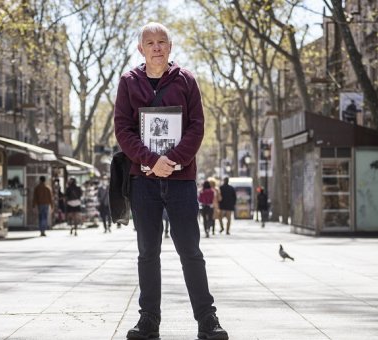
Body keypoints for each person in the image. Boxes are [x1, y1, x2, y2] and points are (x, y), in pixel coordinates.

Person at [114, 22, 228, 340]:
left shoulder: (187, 80)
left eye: (161, 41)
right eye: (149, 42)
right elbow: (123, 130)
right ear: (140, 48)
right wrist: (153, 161)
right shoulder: (128, 82)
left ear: (170, 45)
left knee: (190, 250)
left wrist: (173, 160)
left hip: (181, 181)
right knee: (147, 252)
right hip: (143, 181)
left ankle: (207, 320)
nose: (156, 47)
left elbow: (196, 127)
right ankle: (148, 320)